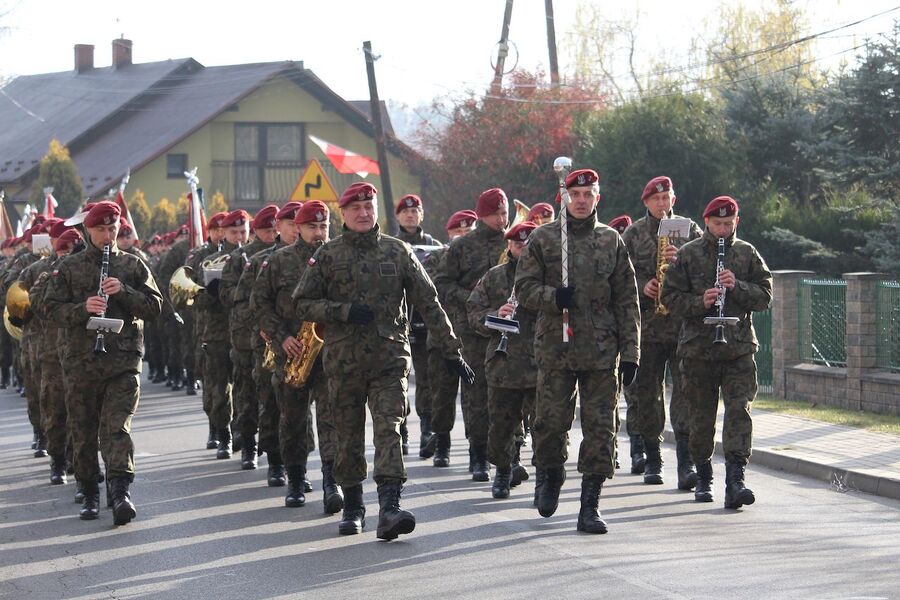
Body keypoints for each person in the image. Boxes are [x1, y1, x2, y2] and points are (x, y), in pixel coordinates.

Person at [293, 182, 473, 540]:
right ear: (343, 214)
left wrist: (452, 351)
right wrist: (341, 311)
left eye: (369, 207)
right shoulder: (328, 255)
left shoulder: (397, 251)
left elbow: (429, 302)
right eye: (355, 208)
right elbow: (301, 302)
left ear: (376, 210)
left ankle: (390, 507)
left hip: (390, 360)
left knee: (390, 430)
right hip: (343, 362)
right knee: (348, 436)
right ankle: (354, 505)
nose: (363, 213)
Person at [514, 168, 640, 534]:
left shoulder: (611, 241)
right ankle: (549, 474)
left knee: (602, 429)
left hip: (602, 351)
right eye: (575, 195)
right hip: (556, 347)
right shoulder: (545, 239)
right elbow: (523, 290)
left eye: (589, 195)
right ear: (565, 197)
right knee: (551, 424)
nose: (582, 201)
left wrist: (632, 353)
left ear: (597, 198)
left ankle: (590, 504)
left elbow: (627, 301)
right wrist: (554, 297)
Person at [42, 201, 163, 524]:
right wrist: (83, 308)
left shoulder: (133, 265)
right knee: (82, 430)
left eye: (113, 229)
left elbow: (154, 308)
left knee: (117, 427)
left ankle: (120, 491)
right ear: (87, 231)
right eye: (101, 230)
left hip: (122, 361)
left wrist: (123, 292)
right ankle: (90, 492)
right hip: (81, 361)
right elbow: (50, 310)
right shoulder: (69, 267)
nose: (108, 236)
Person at [659, 195, 772, 508]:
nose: (723, 229)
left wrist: (737, 286)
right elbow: (669, 298)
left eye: (728, 223)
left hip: (738, 349)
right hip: (698, 351)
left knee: (739, 412)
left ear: (736, 222)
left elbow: (765, 296)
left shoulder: (747, 253)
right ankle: (704, 476)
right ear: (706, 222)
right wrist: (701, 302)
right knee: (701, 417)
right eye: (717, 223)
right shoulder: (687, 254)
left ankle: (736, 480)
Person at [253, 200, 343, 511]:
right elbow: (259, 304)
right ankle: (295, 479)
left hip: (331, 352)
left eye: (323, 226)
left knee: (331, 420)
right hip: (292, 353)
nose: (318, 233)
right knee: (292, 421)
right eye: (311, 227)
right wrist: (282, 337)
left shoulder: (338, 257)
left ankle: (332, 482)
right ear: (298, 228)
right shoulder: (279, 261)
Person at [621, 176, 704, 488]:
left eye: (666, 197)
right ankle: (653, 460)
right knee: (647, 396)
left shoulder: (689, 229)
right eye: (655, 199)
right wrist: (643, 284)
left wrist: (680, 261)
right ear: (646, 203)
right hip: (648, 329)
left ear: (674, 199)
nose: (661, 203)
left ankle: (687, 464)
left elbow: (704, 272)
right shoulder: (632, 234)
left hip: (683, 327)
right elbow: (618, 275)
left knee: (685, 395)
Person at [434, 188, 509, 481]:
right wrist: (473, 297)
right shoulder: (462, 246)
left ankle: (504, 454)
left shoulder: (514, 242)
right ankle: (478, 455)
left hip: (507, 328)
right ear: (481, 215)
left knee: (506, 393)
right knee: (476, 393)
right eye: (495, 214)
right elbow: (442, 283)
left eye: (504, 213)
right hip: (473, 330)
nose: (501, 219)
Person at [467, 221, 538, 499]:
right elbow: (473, 312)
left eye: (528, 243)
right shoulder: (494, 277)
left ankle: (545, 475)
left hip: (540, 360)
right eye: (517, 243)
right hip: (503, 361)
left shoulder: (547, 275)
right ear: (509, 245)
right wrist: (497, 315)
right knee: (501, 423)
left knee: (545, 423)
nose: (522, 247)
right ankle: (503, 471)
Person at [219, 204, 279, 472]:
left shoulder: (282, 254)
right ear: (258, 231)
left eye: (276, 228)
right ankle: (249, 446)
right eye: (268, 229)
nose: (273, 233)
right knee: (246, 394)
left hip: (278, 337)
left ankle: (276, 450)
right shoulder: (241, 259)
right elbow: (228, 296)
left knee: (274, 396)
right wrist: (259, 301)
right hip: (246, 338)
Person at [420, 209, 477, 466]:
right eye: (459, 231)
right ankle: (442, 443)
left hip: (474, 338)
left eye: (469, 231)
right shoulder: (437, 258)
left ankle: (477, 449)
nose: (464, 235)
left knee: (474, 398)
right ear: (449, 234)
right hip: (442, 339)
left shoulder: (482, 260)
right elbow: (430, 289)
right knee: (441, 395)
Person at [394, 193, 439, 455]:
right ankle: (401, 429)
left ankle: (427, 428)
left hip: (422, 322)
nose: (411, 215)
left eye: (415, 211)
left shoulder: (433, 245)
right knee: (396, 380)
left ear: (421, 215)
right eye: (405, 211)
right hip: (397, 324)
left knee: (426, 379)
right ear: (398, 216)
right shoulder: (390, 244)